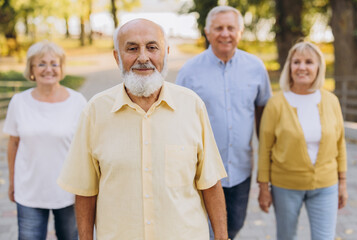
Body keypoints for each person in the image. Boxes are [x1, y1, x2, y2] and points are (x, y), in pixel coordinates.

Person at [57, 18, 230, 240]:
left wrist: (223, 237)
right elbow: (85, 190)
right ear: (117, 57)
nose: (143, 57)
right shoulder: (95, 111)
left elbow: (210, 183)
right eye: (132, 48)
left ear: (165, 53)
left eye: (152, 47)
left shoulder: (192, 105)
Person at [176, 5, 272, 239]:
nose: (225, 33)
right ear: (208, 32)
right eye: (218, 28)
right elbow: (177, 121)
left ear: (240, 32)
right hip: (201, 171)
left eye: (231, 28)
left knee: (235, 225)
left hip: (240, 168)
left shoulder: (256, 68)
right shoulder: (189, 71)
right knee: (206, 230)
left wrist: (265, 169)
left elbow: (263, 116)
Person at [257, 41, 348, 240]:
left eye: (309, 62)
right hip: (286, 186)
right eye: (296, 62)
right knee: (286, 237)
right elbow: (264, 149)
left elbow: (340, 144)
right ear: (289, 67)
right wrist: (263, 188)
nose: (302, 67)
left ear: (318, 67)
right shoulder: (276, 104)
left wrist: (342, 182)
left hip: (326, 184)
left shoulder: (331, 101)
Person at [3, 40, 86, 240]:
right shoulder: (19, 102)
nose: (48, 69)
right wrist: (12, 183)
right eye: (41, 64)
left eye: (54, 63)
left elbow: (85, 149)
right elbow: (13, 144)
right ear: (31, 69)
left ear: (61, 68)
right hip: (29, 191)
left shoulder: (78, 102)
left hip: (68, 192)